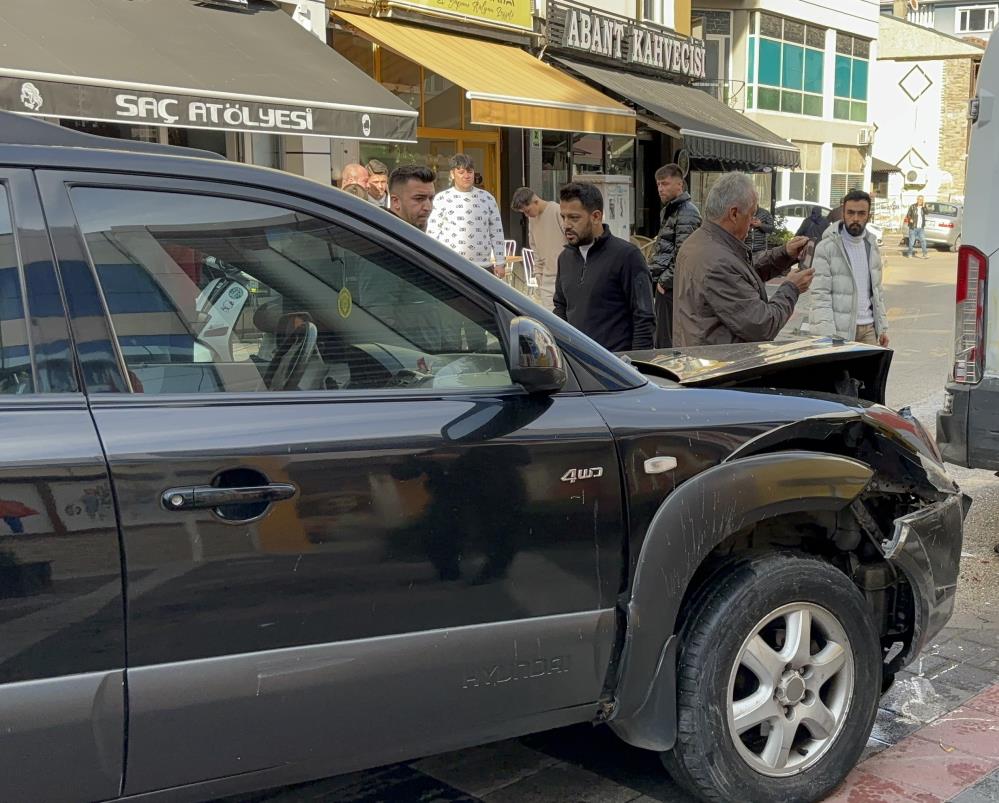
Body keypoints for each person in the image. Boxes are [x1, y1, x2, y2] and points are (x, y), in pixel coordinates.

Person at [672, 172, 813, 347]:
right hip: (722, 366)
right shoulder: (716, 260)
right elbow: (763, 325)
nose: (752, 222)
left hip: (705, 357)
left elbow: (743, 271)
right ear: (734, 214)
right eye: (751, 214)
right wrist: (791, 288)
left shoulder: (703, 240)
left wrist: (784, 253)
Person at [553, 182, 654, 351]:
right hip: (578, 365)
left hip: (616, 366)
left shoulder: (627, 256)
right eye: (563, 217)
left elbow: (644, 317)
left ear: (596, 217)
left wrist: (637, 367)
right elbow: (561, 308)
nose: (566, 224)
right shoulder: (565, 259)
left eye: (574, 218)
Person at [808, 190, 890, 347]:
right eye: (851, 213)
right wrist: (827, 336)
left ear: (869, 216)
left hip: (869, 330)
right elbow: (820, 295)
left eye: (861, 213)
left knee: (870, 373)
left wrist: (882, 327)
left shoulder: (871, 245)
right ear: (843, 213)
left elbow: (877, 291)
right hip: (839, 332)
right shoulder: (827, 247)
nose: (855, 218)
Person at [427, 154, 506, 277]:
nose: (466, 176)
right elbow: (432, 232)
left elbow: (496, 231)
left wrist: (500, 262)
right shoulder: (442, 199)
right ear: (452, 174)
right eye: (461, 172)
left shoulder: (487, 198)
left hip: (483, 266)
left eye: (469, 172)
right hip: (451, 266)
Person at [649, 164, 701, 348]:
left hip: (672, 286)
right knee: (663, 336)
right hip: (666, 284)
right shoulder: (671, 210)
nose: (660, 189)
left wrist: (665, 281)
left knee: (668, 340)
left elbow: (684, 253)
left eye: (665, 184)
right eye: (658, 184)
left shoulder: (687, 211)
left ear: (679, 185)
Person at [511, 186, 566, 310]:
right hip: (547, 277)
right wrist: (538, 273)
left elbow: (572, 240)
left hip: (565, 275)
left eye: (527, 210)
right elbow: (535, 247)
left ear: (536, 201)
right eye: (523, 212)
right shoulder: (532, 219)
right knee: (552, 320)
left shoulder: (557, 210)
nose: (526, 214)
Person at [388, 164, 436, 231]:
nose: (428, 208)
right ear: (396, 201)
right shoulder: (376, 236)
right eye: (419, 199)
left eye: (431, 199)